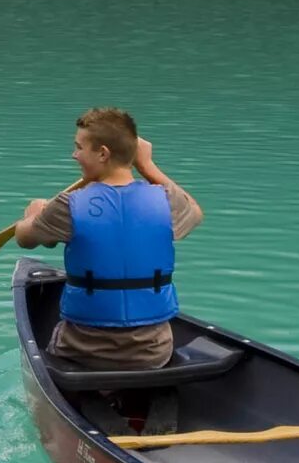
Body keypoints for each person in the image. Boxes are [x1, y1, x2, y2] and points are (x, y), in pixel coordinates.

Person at [14, 107, 204, 370]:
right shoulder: (165, 200)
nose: (74, 155)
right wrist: (147, 166)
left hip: (81, 351)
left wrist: (34, 213)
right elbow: (195, 211)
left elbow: (24, 237)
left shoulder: (67, 205)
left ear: (102, 153)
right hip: (153, 353)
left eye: (79, 147)